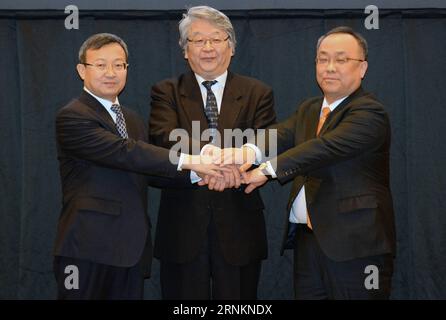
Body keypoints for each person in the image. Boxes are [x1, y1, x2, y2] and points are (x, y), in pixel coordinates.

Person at [53, 33, 222, 299]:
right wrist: (192, 159)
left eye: (119, 65)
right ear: (81, 70)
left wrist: (198, 175)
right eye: (101, 65)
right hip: (87, 248)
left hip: (131, 250)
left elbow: (148, 170)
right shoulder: (73, 115)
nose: (111, 72)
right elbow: (125, 152)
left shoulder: (132, 119)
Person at [235, 26, 396, 299]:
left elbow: (322, 149)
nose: (329, 67)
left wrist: (265, 170)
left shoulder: (370, 112)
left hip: (356, 249)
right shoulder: (309, 109)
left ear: (363, 68)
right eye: (322, 59)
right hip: (309, 242)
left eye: (341, 59)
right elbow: (280, 134)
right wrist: (244, 154)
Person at [148, 6, 276, 299]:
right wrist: (214, 159)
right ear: (185, 50)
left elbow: (268, 141)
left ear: (231, 47)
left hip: (240, 227)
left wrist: (237, 165)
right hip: (182, 228)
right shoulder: (165, 91)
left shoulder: (258, 92)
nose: (208, 48)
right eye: (197, 40)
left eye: (216, 39)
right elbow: (163, 138)